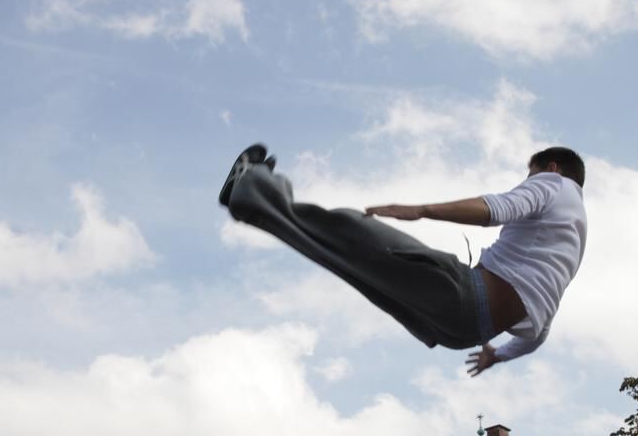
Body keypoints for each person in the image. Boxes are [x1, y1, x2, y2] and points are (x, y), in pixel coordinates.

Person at [219, 144, 586, 377]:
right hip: (458, 331)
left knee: (351, 232)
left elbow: (499, 208)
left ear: (551, 168)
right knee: (350, 260)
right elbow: (538, 334)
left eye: (530, 175)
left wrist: (421, 210)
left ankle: (252, 187)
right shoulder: (570, 245)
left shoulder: (556, 185)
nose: (528, 182)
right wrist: (497, 355)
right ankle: (252, 203)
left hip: (461, 295)